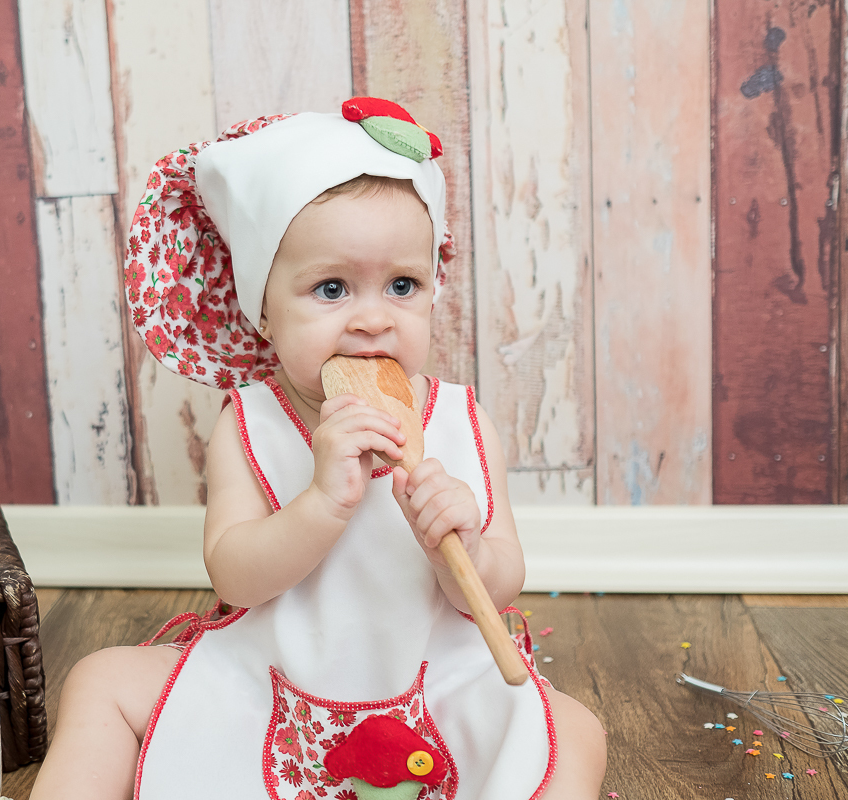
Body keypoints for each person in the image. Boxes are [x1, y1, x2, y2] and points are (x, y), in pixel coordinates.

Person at [31, 98, 606, 800]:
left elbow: (500, 581)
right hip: (275, 677)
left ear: (433, 289)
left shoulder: (460, 419)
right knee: (100, 682)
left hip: (436, 678)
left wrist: (465, 548)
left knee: (575, 731)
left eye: (403, 286)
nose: (372, 317)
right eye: (331, 288)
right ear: (263, 311)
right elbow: (235, 579)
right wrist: (322, 502)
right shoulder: (252, 422)